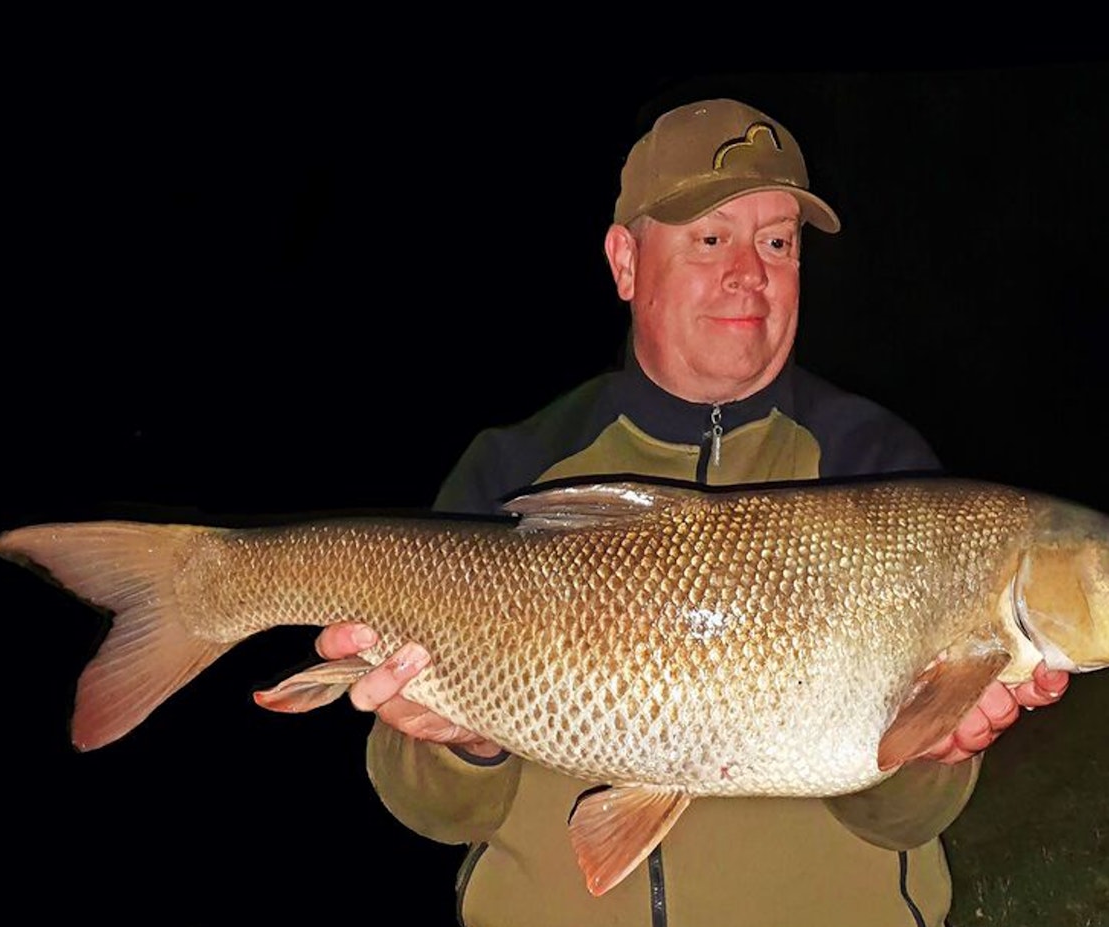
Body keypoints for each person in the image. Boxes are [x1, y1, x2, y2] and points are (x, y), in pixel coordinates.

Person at [315, 98, 1068, 926]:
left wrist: (938, 753)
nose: (751, 272)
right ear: (626, 261)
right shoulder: (517, 472)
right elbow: (435, 812)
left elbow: (901, 820)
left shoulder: (878, 471)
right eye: (711, 239)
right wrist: (461, 741)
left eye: (778, 242)